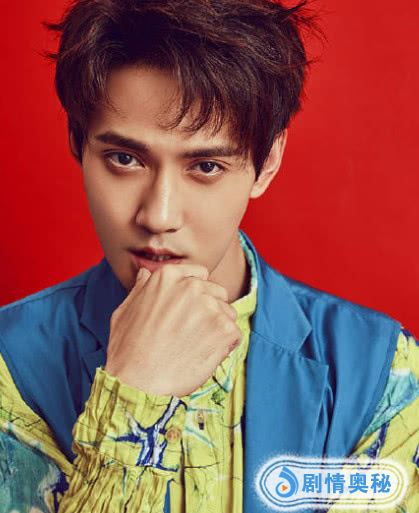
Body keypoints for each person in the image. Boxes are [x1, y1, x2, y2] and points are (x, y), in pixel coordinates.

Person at [0, 0, 417, 512]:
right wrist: (134, 399)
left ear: (267, 162)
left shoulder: (380, 371)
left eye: (206, 167)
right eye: (124, 159)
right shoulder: (10, 365)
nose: (159, 215)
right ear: (77, 143)